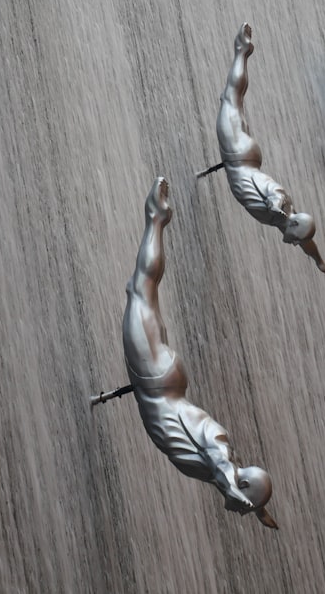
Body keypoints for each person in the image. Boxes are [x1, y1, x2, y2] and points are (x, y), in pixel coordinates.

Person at [118, 177, 278, 528]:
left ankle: (157, 220)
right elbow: (219, 459)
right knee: (140, 290)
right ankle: (156, 217)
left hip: (162, 382)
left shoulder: (220, 472)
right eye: (246, 504)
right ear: (242, 485)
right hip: (155, 380)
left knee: (145, 292)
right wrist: (235, 491)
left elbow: (227, 475)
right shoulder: (220, 453)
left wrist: (257, 508)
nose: (242, 510)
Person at [212, 23, 325, 276]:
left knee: (236, 102)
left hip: (246, 157)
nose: (294, 243)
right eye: (296, 238)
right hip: (236, 155)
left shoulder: (285, 221)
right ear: (295, 223)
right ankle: (241, 50)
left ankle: (242, 52)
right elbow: (275, 194)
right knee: (231, 98)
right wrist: (274, 203)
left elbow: (307, 242)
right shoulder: (281, 206)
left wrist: (318, 260)